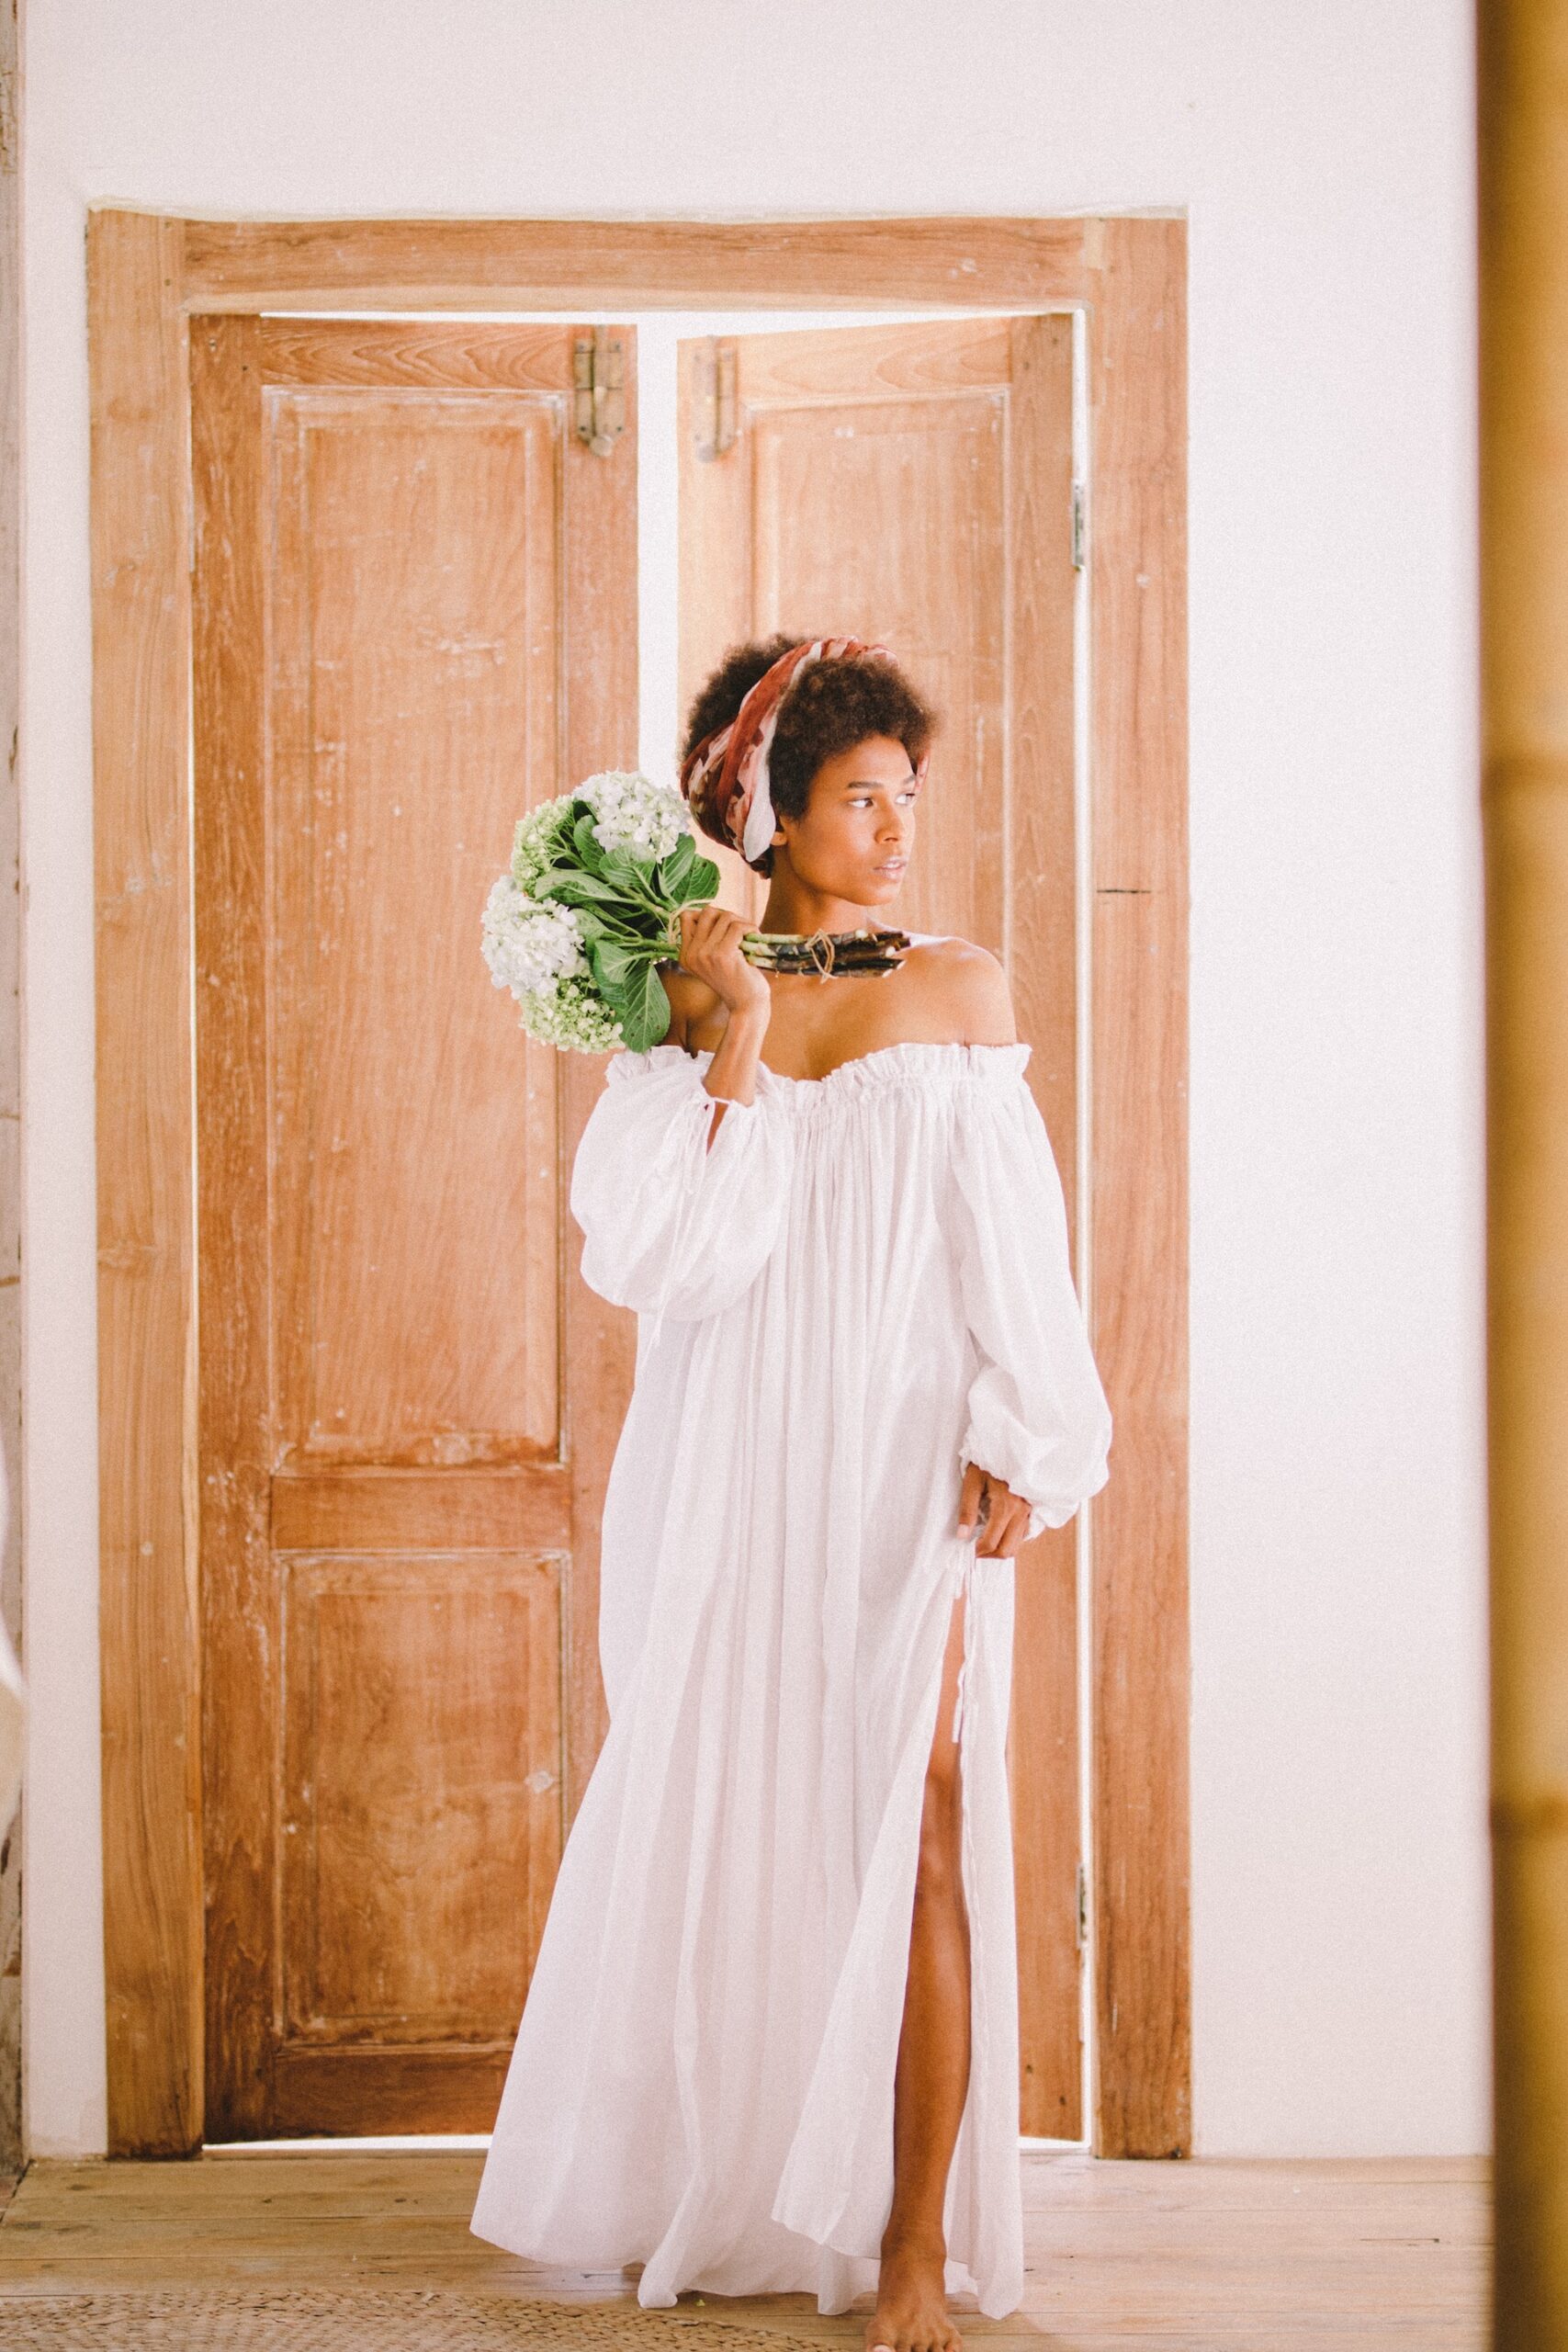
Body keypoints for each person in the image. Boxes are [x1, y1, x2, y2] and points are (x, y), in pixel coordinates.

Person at [470, 634, 1113, 2352]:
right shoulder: (689, 998)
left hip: (906, 1466)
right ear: (772, 812)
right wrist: (741, 1036)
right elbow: (671, 1263)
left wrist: (1028, 1426)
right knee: (729, 1804)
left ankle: (914, 2249)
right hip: (731, 1463)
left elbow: (1014, 1244)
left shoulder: (959, 988)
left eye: (909, 797)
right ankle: (741, 2187)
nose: (897, 830)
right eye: (861, 799)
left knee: (925, 1822)